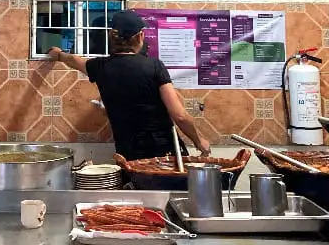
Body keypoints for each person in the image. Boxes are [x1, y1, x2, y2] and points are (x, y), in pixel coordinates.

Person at [47, 10, 211, 161]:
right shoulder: (154, 67)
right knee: (167, 191)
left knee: (135, 191)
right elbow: (180, 116)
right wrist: (198, 140)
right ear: (140, 36)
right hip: (162, 151)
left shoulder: (100, 67)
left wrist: (58, 54)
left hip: (127, 152)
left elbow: (75, 61)